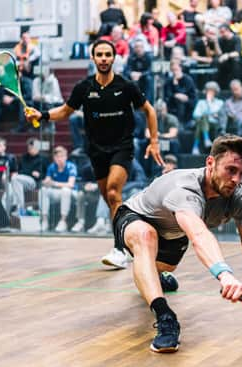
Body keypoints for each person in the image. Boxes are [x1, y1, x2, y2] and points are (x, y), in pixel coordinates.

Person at [113, 134, 242, 352]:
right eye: (230, 170)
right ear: (210, 163)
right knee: (146, 238)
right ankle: (165, 317)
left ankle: (158, 277)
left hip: (175, 232)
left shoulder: (241, 195)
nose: (236, 179)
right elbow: (199, 235)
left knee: (159, 269)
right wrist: (225, 275)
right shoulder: (185, 188)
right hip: (135, 218)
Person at [25, 39, 162, 268]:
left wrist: (154, 141)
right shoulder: (84, 88)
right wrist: (43, 115)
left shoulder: (126, 86)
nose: (104, 58)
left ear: (114, 58)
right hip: (97, 150)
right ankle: (129, 232)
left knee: (112, 192)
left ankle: (119, 249)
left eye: (108, 54)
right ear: (93, 58)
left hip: (122, 147)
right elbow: (66, 111)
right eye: (100, 54)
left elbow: (149, 110)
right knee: (111, 202)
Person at [9, 138, 49, 215]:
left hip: (34, 182)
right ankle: (13, 211)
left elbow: (46, 175)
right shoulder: (24, 157)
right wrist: (31, 172)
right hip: (21, 180)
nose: (31, 149)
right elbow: (20, 171)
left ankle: (20, 207)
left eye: (33, 147)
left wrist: (39, 175)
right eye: (29, 147)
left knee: (14, 179)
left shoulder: (44, 158)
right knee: (12, 184)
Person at [192, 81, 227, 155]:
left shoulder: (220, 102)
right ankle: (206, 140)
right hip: (203, 122)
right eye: (208, 90)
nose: (210, 93)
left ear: (216, 91)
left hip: (215, 123)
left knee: (201, 120)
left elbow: (220, 115)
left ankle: (196, 146)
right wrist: (209, 112)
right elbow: (195, 114)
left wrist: (209, 104)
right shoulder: (201, 102)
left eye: (212, 91)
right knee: (202, 120)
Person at [163, 59, 197, 126]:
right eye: (173, 70)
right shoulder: (169, 81)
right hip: (173, 101)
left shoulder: (188, 79)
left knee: (181, 100)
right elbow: (168, 94)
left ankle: (182, 123)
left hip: (189, 101)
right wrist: (176, 94)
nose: (174, 72)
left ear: (181, 68)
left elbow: (185, 93)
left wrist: (176, 86)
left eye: (176, 69)